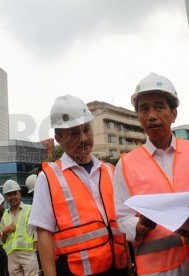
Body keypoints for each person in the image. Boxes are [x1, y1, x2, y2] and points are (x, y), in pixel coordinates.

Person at [114, 73, 189, 275]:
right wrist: (140, 226)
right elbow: (122, 218)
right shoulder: (125, 164)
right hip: (157, 270)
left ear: (173, 114)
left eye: (159, 106)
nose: (151, 116)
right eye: (144, 109)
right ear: (138, 117)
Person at [28, 94, 129, 276]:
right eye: (74, 133)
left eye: (86, 129)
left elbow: (122, 222)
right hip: (75, 271)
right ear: (58, 138)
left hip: (118, 269)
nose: (83, 138)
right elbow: (44, 235)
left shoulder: (110, 171)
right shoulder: (48, 178)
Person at [0, 179, 39, 276]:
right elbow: (3, 241)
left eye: (14, 194)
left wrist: (35, 249)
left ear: (20, 195)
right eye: (9, 195)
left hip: (28, 254)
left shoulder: (30, 209)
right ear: (5, 198)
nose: (12, 197)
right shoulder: (5, 215)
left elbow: (38, 232)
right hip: (12, 256)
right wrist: (5, 231)